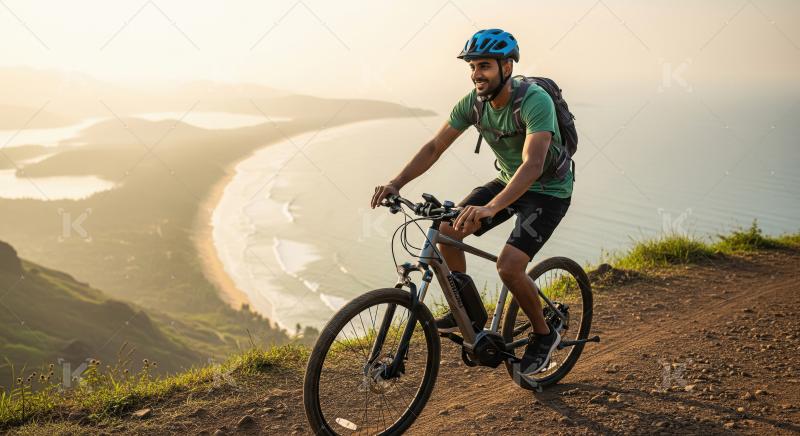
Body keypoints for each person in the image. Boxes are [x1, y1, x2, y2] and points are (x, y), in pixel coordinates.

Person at [370, 29, 574, 376]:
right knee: (448, 231)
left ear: (506, 66)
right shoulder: (473, 104)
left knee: (509, 266)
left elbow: (533, 164)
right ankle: (466, 309)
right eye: (473, 67)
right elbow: (435, 147)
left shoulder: (534, 101)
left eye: (485, 67)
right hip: (509, 180)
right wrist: (396, 182)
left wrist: (492, 207)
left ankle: (545, 333)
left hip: (547, 191)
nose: (477, 74)